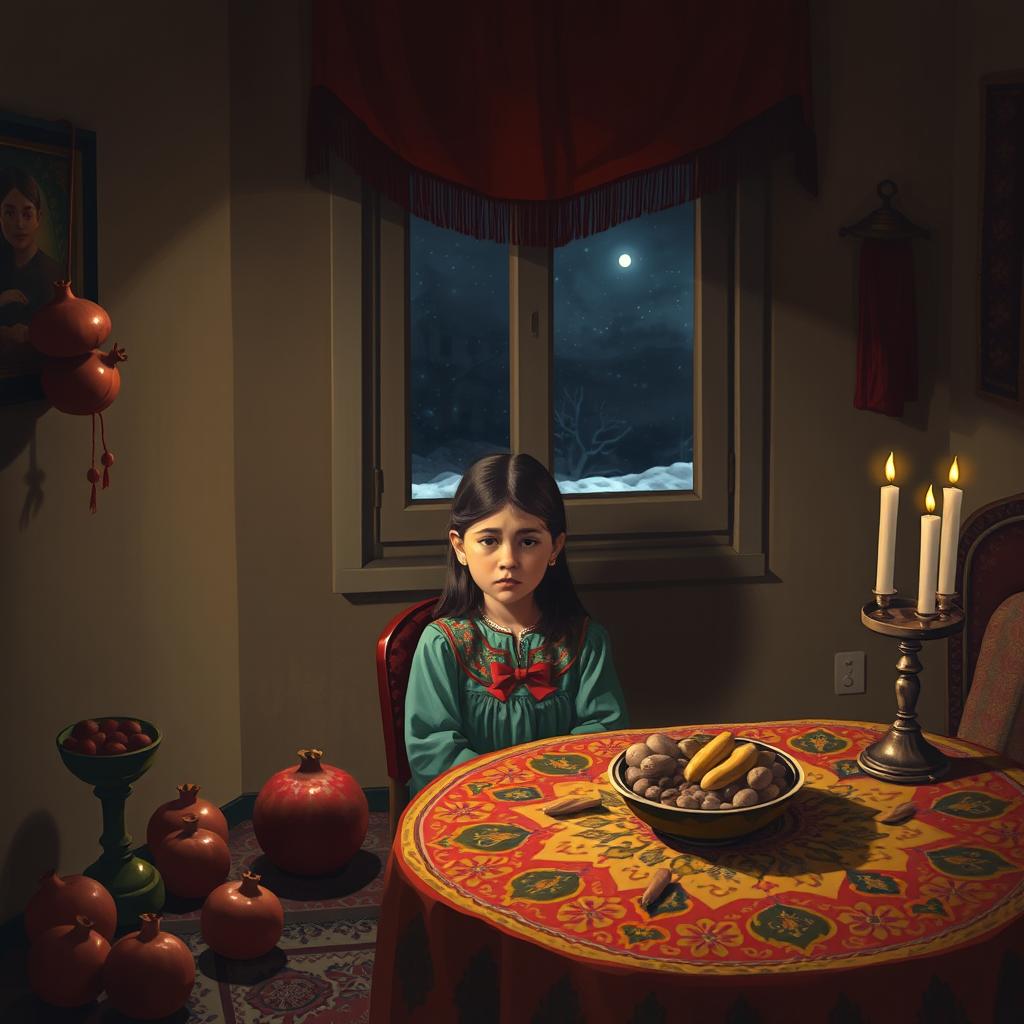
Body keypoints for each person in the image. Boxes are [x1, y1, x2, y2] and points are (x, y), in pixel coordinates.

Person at [404, 452, 629, 795]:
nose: (508, 560)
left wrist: (546, 788)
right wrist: (506, 790)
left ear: (555, 547)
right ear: (460, 546)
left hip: (564, 801)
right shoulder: (441, 643)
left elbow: (603, 736)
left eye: (528, 542)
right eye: (489, 541)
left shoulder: (586, 640)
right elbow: (432, 748)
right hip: (469, 805)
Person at [0, 167, 63, 378]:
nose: (19, 224)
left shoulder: (52, 273)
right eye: (10, 213)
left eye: (27, 214)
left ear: (38, 218)